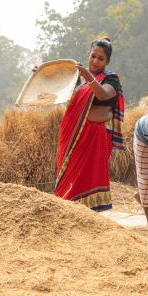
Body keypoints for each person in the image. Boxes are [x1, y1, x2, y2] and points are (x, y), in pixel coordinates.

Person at [53, 37, 124, 211]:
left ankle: (89, 214)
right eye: (93, 56)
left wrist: (88, 76)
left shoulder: (111, 79)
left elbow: (103, 95)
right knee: (69, 174)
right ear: (88, 55)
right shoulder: (77, 79)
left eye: (101, 59)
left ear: (107, 61)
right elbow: (56, 90)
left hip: (95, 138)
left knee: (87, 176)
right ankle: (67, 210)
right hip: (72, 135)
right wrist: (41, 75)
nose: (95, 61)